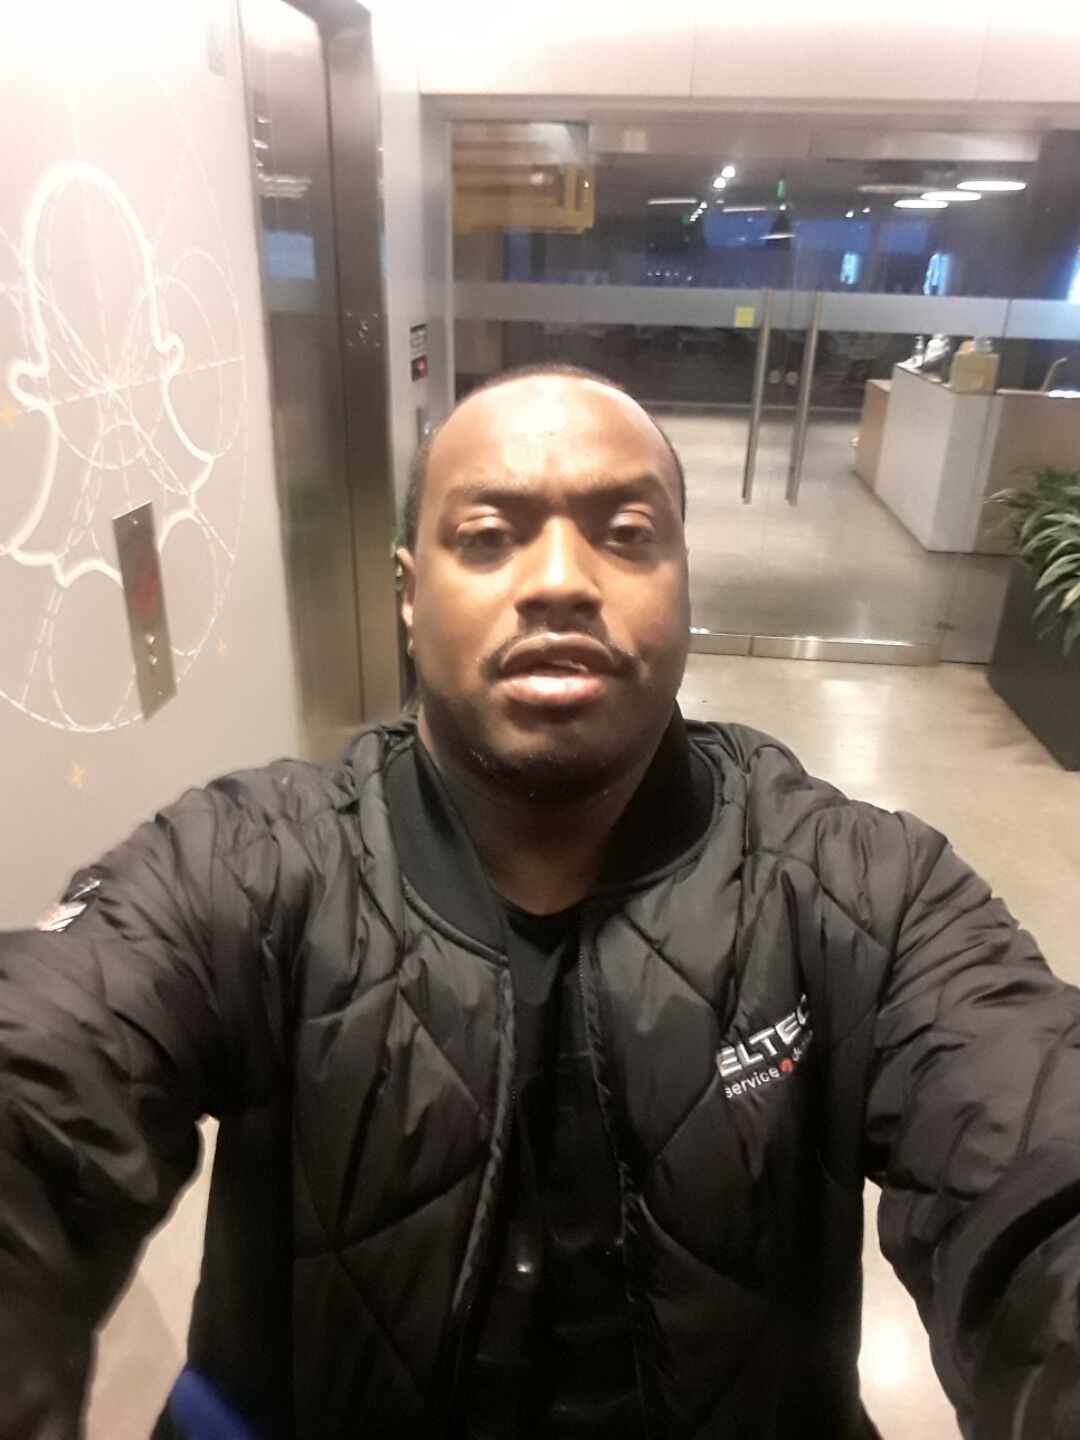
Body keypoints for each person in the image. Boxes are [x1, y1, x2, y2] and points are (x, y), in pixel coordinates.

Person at [2, 364, 1079, 1440]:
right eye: (487, 537)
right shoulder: (245, 865)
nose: (561, 579)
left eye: (627, 534)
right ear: (409, 593)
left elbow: (1038, 1154)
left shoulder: (865, 889)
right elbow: (38, 1086)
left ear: (684, 582)